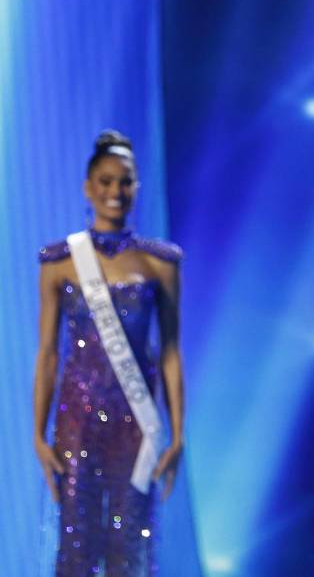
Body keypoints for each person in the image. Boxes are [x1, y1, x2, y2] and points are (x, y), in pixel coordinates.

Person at [34, 131, 185, 575]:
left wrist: (178, 434)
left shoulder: (161, 262)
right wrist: (37, 435)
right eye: (105, 181)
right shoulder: (58, 261)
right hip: (76, 421)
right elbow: (47, 353)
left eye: (124, 182)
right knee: (76, 542)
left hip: (136, 425)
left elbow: (171, 351)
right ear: (87, 186)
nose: (114, 192)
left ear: (136, 186)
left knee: (129, 546)